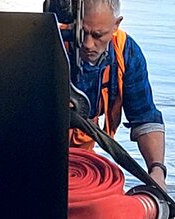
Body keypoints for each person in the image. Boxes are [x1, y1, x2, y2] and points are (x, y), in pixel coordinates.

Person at [68, 0, 167, 190]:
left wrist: (157, 170)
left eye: (98, 35)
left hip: (81, 157)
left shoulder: (126, 52)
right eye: (82, 32)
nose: (88, 44)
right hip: (38, 148)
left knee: (109, 181)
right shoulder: (52, 43)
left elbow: (144, 117)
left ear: (116, 25)